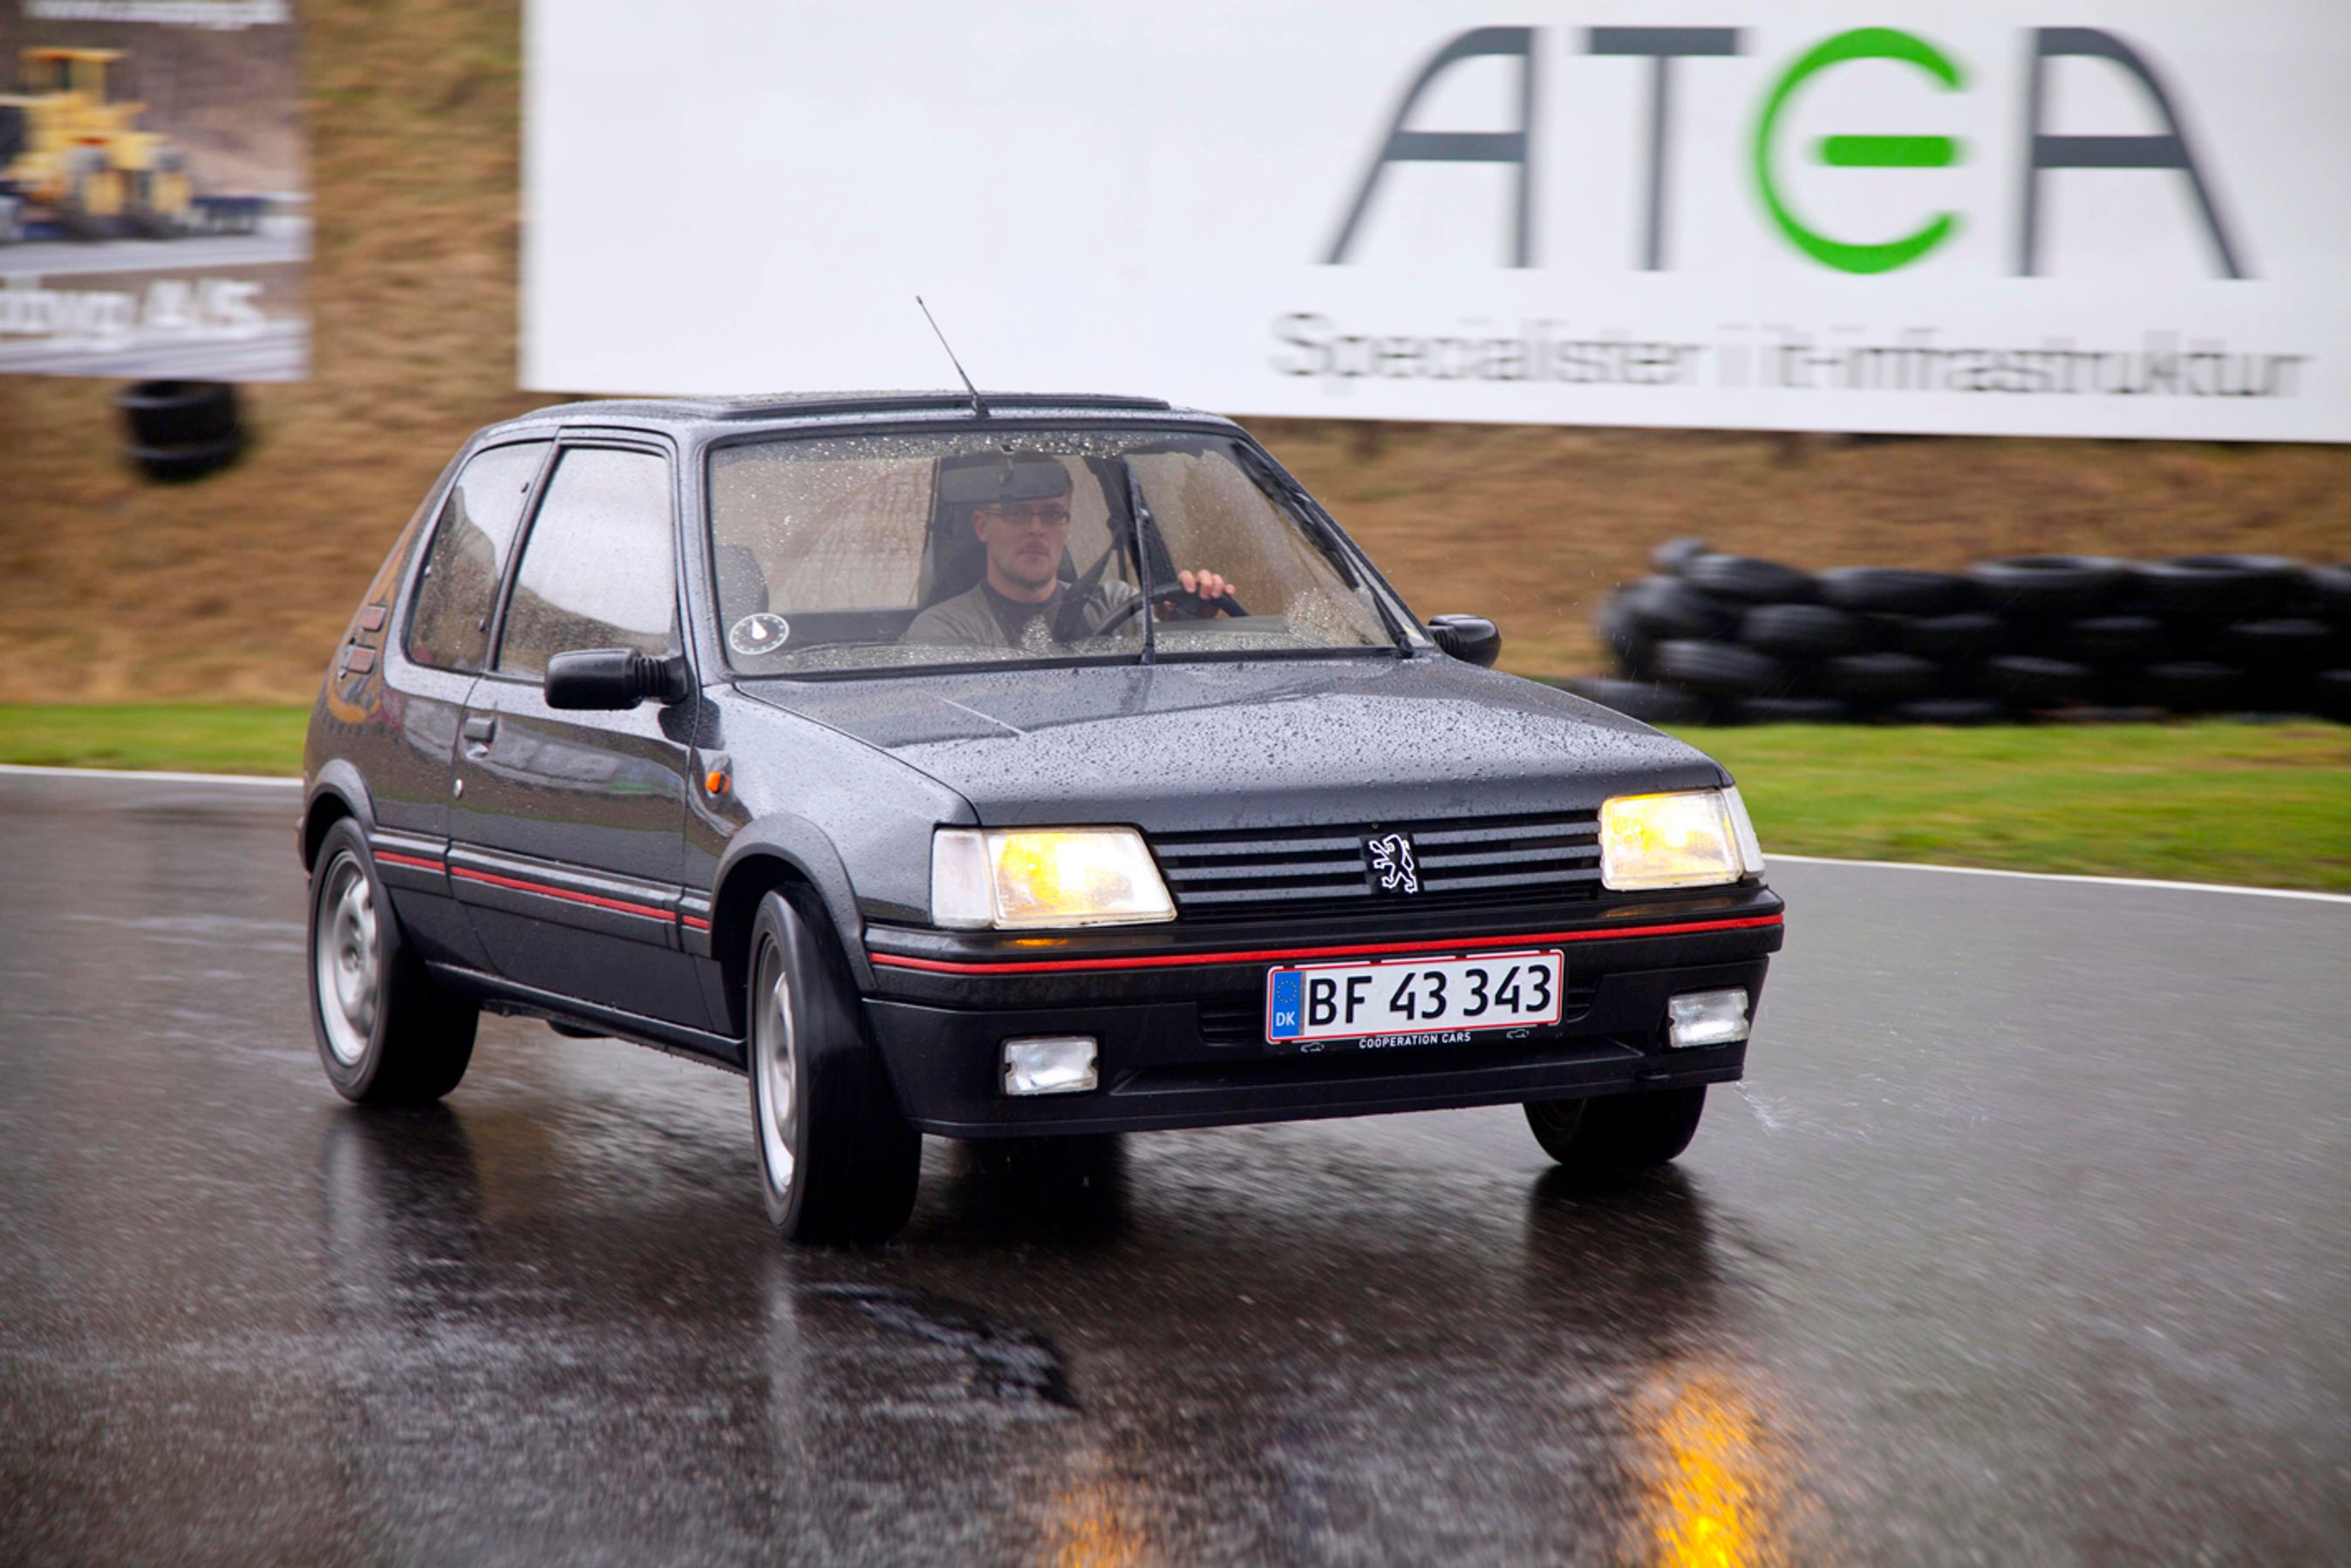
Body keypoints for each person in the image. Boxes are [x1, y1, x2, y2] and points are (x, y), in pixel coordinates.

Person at [903, 453, 1230, 649]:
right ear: (982, 526)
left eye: (1052, 514)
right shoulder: (943, 630)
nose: (1036, 528)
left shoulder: (1116, 606)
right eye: (1017, 514)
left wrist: (1187, 626)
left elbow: (1180, 686)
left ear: (1067, 522)